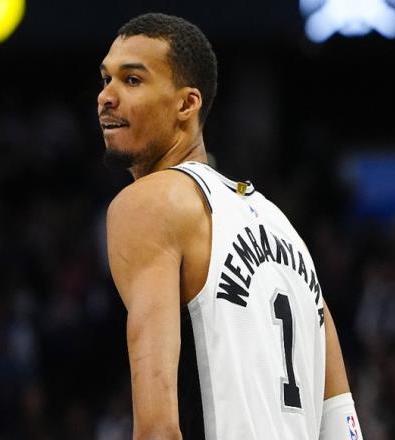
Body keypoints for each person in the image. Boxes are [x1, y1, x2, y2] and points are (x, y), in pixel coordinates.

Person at [100, 13, 363, 440]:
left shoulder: (149, 203)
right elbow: (343, 426)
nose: (106, 97)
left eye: (132, 80)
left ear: (187, 104)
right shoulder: (285, 230)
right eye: (106, 79)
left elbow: (157, 427)